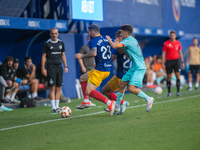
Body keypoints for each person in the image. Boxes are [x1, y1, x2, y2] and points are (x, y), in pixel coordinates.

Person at [106, 24, 154, 114]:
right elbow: (124, 51)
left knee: (131, 88)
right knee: (121, 84)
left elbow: (114, 46)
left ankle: (149, 99)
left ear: (126, 33)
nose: (121, 34)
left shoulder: (128, 40)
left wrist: (109, 39)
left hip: (139, 67)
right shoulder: (132, 40)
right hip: (134, 66)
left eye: (122, 32)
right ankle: (117, 106)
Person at [74, 24, 116, 116]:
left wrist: (82, 56)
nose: (88, 34)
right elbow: (116, 44)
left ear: (92, 32)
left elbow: (93, 53)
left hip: (100, 70)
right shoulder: (106, 39)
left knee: (89, 91)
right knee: (83, 78)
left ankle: (109, 103)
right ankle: (86, 101)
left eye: (89, 32)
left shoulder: (93, 40)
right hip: (106, 68)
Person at [101, 30, 130, 114]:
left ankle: (120, 104)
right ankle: (118, 104)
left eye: (116, 38)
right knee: (107, 90)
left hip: (121, 75)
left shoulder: (118, 47)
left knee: (105, 90)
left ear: (118, 38)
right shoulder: (127, 45)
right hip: (125, 74)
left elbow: (111, 60)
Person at [41, 27, 68, 113]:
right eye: (52, 33)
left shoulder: (61, 43)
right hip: (51, 68)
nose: (54, 35)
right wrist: (43, 68)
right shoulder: (47, 43)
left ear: (58, 34)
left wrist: (66, 66)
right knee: (52, 87)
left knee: (59, 87)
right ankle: (53, 108)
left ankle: (57, 106)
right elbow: (44, 56)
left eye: (55, 33)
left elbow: (63, 54)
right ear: (50, 34)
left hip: (59, 67)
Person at [162, 31, 185, 97]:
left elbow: (180, 52)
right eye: (171, 35)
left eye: (173, 35)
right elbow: (163, 54)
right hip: (169, 61)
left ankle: (178, 92)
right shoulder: (166, 43)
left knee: (178, 75)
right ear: (170, 36)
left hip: (176, 61)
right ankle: (169, 92)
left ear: (175, 36)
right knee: (169, 77)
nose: (172, 36)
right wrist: (163, 63)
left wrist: (182, 62)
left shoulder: (178, 43)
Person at [77, 35, 96, 107]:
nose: (90, 39)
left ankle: (87, 101)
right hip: (86, 68)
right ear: (87, 39)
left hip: (92, 69)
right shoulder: (84, 47)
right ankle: (87, 100)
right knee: (87, 84)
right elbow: (79, 56)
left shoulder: (94, 48)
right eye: (89, 38)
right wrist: (82, 66)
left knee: (90, 85)